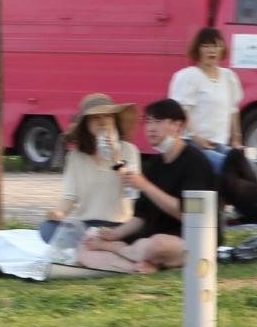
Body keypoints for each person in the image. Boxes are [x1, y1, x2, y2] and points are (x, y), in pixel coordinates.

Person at [77, 98, 218, 273]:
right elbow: (140, 217)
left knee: (158, 244)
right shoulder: (154, 165)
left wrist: (145, 185)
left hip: (191, 242)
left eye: (158, 122)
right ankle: (138, 266)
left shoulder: (195, 163)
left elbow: (191, 215)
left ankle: (124, 254)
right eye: (148, 122)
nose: (150, 128)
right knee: (85, 247)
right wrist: (114, 234)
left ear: (177, 126)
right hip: (147, 239)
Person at [36, 93, 138, 248]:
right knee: (47, 228)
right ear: (86, 124)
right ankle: (93, 246)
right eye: (95, 117)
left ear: (114, 120)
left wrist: (116, 159)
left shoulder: (129, 150)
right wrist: (59, 213)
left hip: (118, 226)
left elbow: (132, 191)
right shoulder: (76, 156)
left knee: (128, 235)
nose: (103, 122)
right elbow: (70, 196)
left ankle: (95, 246)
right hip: (85, 225)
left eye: (107, 116)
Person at [169, 27, 243, 157]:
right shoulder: (189, 76)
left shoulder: (229, 76)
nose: (211, 50)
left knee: (247, 167)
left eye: (215, 46)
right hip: (192, 144)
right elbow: (180, 112)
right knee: (222, 165)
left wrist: (236, 140)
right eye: (206, 46)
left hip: (220, 144)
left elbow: (233, 111)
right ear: (197, 50)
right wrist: (195, 137)